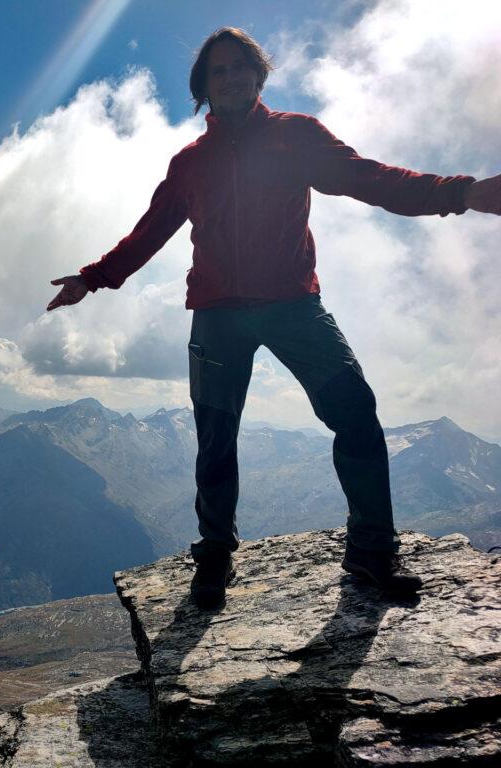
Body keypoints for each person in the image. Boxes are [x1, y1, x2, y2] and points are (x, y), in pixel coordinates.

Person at [46, 27, 501, 610]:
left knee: (355, 412)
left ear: (259, 75)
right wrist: (94, 277)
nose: (231, 77)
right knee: (216, 438)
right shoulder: (190, 163)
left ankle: (371, 550)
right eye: (219, 71)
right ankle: (214, 554)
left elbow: (371, 178)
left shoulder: (296, 137)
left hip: (293, 306)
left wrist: (462, 194)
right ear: (203, 88)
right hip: (217, 314)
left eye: (241, 67)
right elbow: (150, 231)